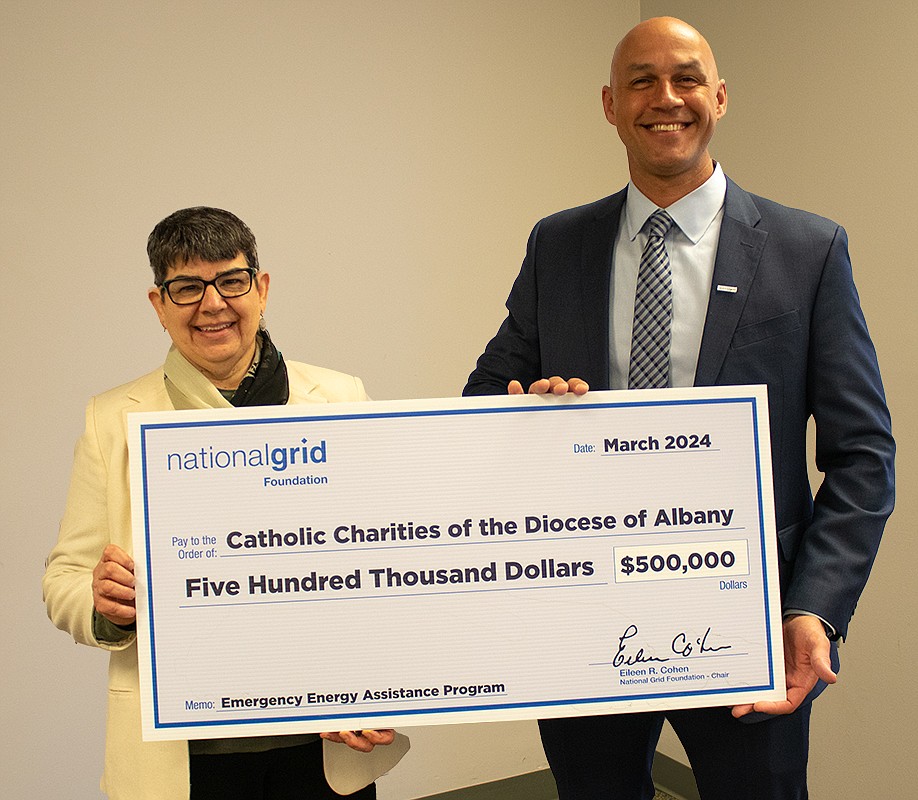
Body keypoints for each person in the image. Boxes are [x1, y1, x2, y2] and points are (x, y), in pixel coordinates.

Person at [463, 17, 895, 800]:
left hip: (750, 620)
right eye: (641, 81)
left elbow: (863, 454)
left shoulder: (808, 250)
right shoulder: (558, 244)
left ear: (720, 97)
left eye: (687, 78)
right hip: (583, 612)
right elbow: (484, 398)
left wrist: (816, 609)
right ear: (609, 104)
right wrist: (526, 410)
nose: (667, 99)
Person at [43, 207, 406, 800]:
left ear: (261, 290)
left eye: (231, 281)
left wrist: (384, 682)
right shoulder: (112, 419)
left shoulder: (341, 399)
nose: (212, 304)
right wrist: (101, 601)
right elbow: (64, 578)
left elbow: (388, 560)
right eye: (186, 287)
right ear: (159, 306)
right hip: (184, 757)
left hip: (321, 747)